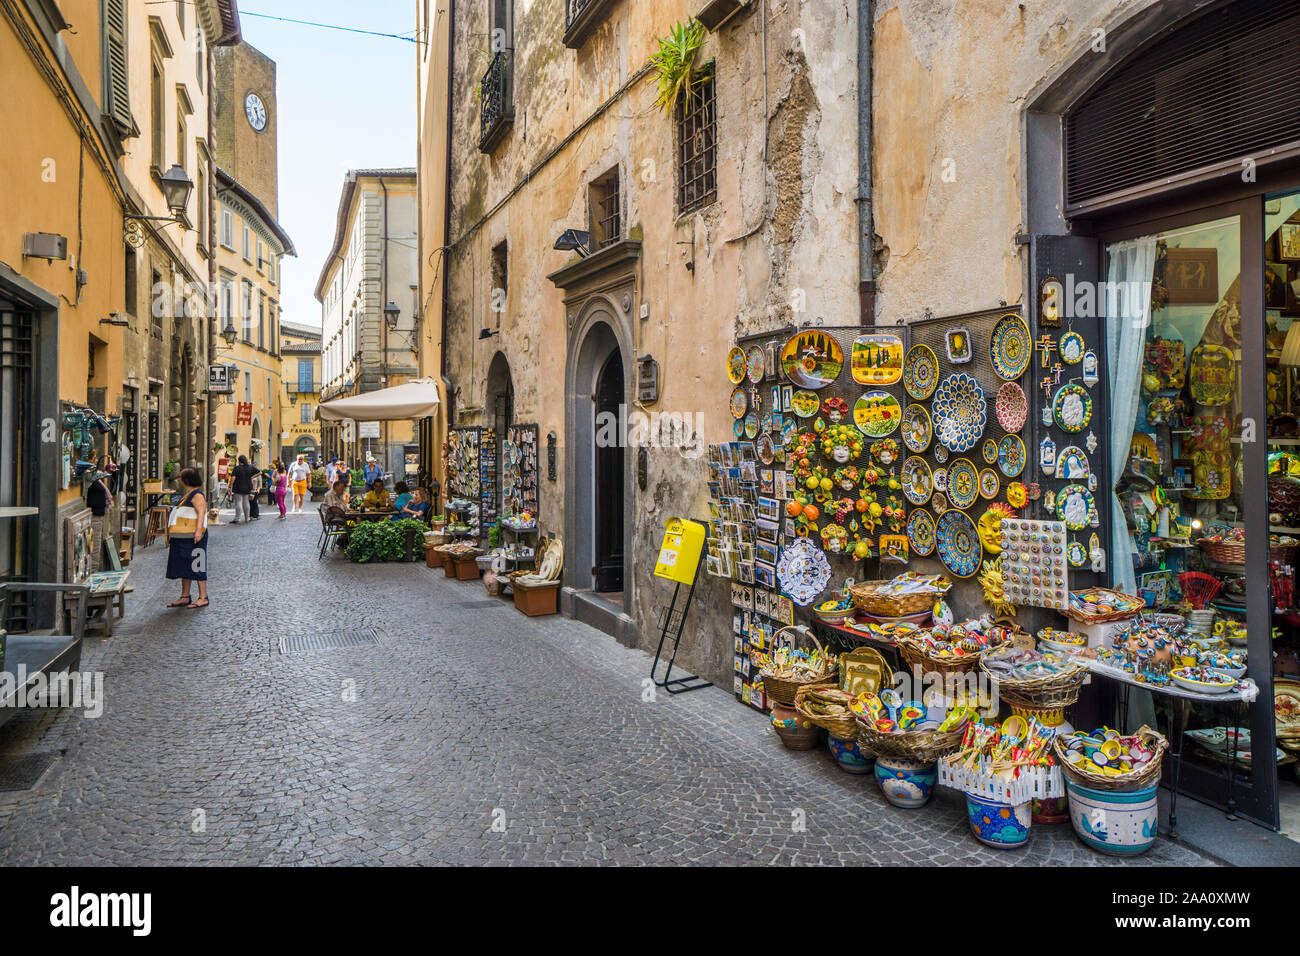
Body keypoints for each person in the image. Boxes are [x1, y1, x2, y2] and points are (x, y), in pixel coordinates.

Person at [165, 467, 208, 609]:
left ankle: (203, 597)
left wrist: (198, 531)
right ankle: (185, 596)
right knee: (184, 564)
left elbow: (201, 512)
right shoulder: (187, 494)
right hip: (182, 537)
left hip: (193, 536)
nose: (179, 479)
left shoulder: (197, 495)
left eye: (180, 477)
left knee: (197, 563)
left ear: (186, 480)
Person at [85, 470, 113, 572]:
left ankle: (93, 571)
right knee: (94, 548)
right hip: (95, 515)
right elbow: (108, 496)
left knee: (95, 547)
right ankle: (92, 571)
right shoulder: (95, 485)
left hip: (97, 514)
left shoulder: (97, 483)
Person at [230, 455, 257, 524]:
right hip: (248, 487)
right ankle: (247, 518)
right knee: (246, 502)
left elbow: (233, 478)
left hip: (238, 487)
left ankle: (237, 518)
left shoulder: (237, 468)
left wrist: (230, 486)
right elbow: (260, 472)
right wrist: (251, 477)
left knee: (238, 502)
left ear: (239, 461)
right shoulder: (250, 467)